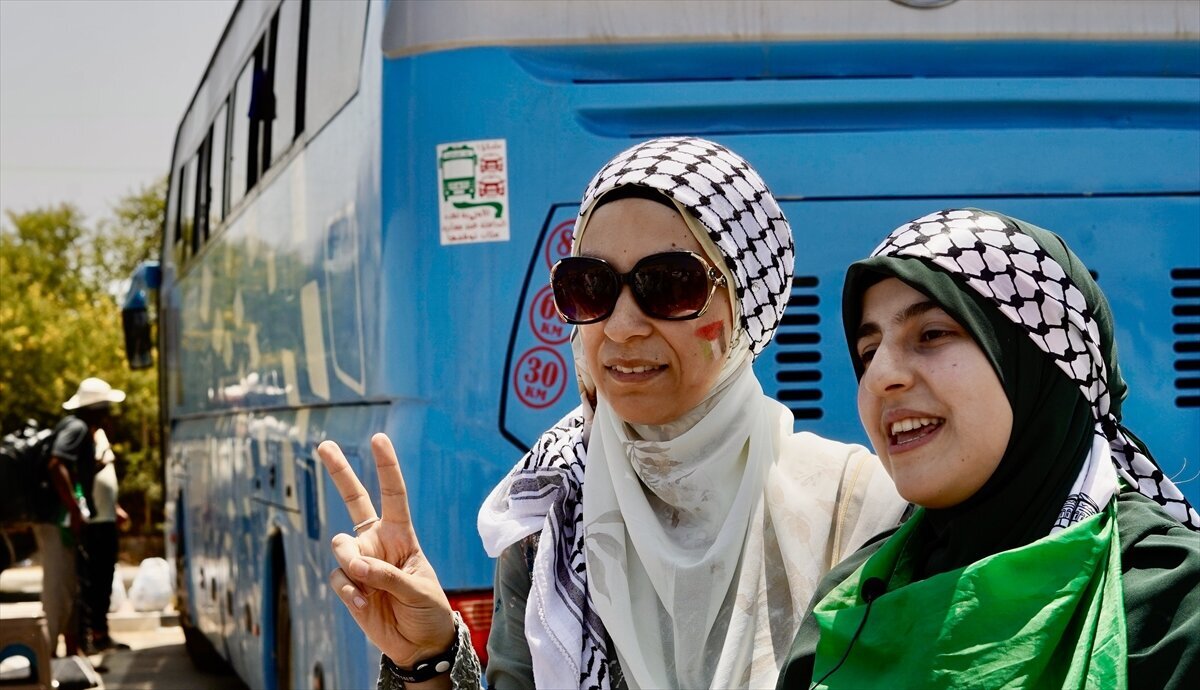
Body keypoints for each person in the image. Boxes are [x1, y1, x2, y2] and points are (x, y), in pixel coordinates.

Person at [317, 137, 907, 689]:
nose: (621, 327)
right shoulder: (552, 517)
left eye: (670, 285)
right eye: (591, 286)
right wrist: (429, 657)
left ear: (744, 309)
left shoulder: (859, 508)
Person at [777, 208, 1200, 689]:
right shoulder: (854, 601)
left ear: (1038, 363)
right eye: (868, 352)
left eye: (932, 334)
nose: (879, 378)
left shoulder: (1169, 606)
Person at [34, 376, 125, 657]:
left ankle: (73, 655)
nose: (109, 413)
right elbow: (56, 464)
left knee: (72, 589)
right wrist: (75, 509)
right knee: (58, 590)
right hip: (57, 520)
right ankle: (48, 659)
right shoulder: (78, 428)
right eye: (106, 407)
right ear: (96, 408)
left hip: (63, 522)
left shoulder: (81, 429)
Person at [77, 426, 131, 655]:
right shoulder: (80, 435)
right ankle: (88, 637)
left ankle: (101, 633)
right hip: (93, 521)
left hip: (107, 518)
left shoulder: (100, 435)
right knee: (93, 582)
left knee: (105, 579)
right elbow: (84, 473)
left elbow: (104, 476)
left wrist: (115, 507)